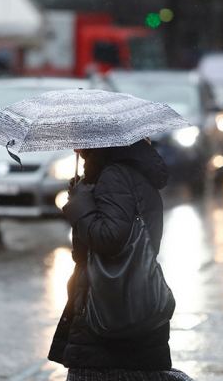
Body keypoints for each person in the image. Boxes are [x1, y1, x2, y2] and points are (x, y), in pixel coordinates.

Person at [48, 139, 192, 381]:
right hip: (133, 301)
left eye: (84, 144)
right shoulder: (131, 174)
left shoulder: (114, 176)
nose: (79, 151)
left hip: (109, 308)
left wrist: (79, 205)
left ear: (101, 144)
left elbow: (110, 238)